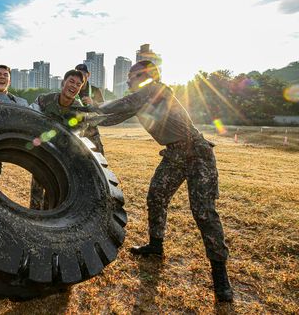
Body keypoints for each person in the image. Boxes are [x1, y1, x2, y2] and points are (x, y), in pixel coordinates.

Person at [96, 60, 233, 302]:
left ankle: (220, 277)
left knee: (203, 212)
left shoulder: (156, 90)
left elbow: (117, 106)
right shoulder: (141, 99)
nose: (128, 80)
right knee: (156, 196)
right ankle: (156, 245)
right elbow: (111, 118)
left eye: (133, 75)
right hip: (174, 155)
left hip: (196, 153)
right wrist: (82, 118)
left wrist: (91, 108)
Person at [29, 69, 87, 209]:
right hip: (41, 153)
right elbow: (29, 117)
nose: (73, 86)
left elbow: (78, 139)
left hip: (62, 158)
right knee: (36, 195)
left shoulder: (80, 111)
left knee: (53, 198)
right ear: (63, 83)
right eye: (71, 81)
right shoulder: (44, 100)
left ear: (80, 89)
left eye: (78, 84)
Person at [74, 63, 105, 155]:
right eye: (78, 74)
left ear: (88, 74)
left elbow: (103, 109)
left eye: (83, 73)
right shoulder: (72, 89)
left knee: (99, 154)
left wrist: (93, 103)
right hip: (75, 127)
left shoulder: (95, 90)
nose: (81, 76)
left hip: (91, 128)